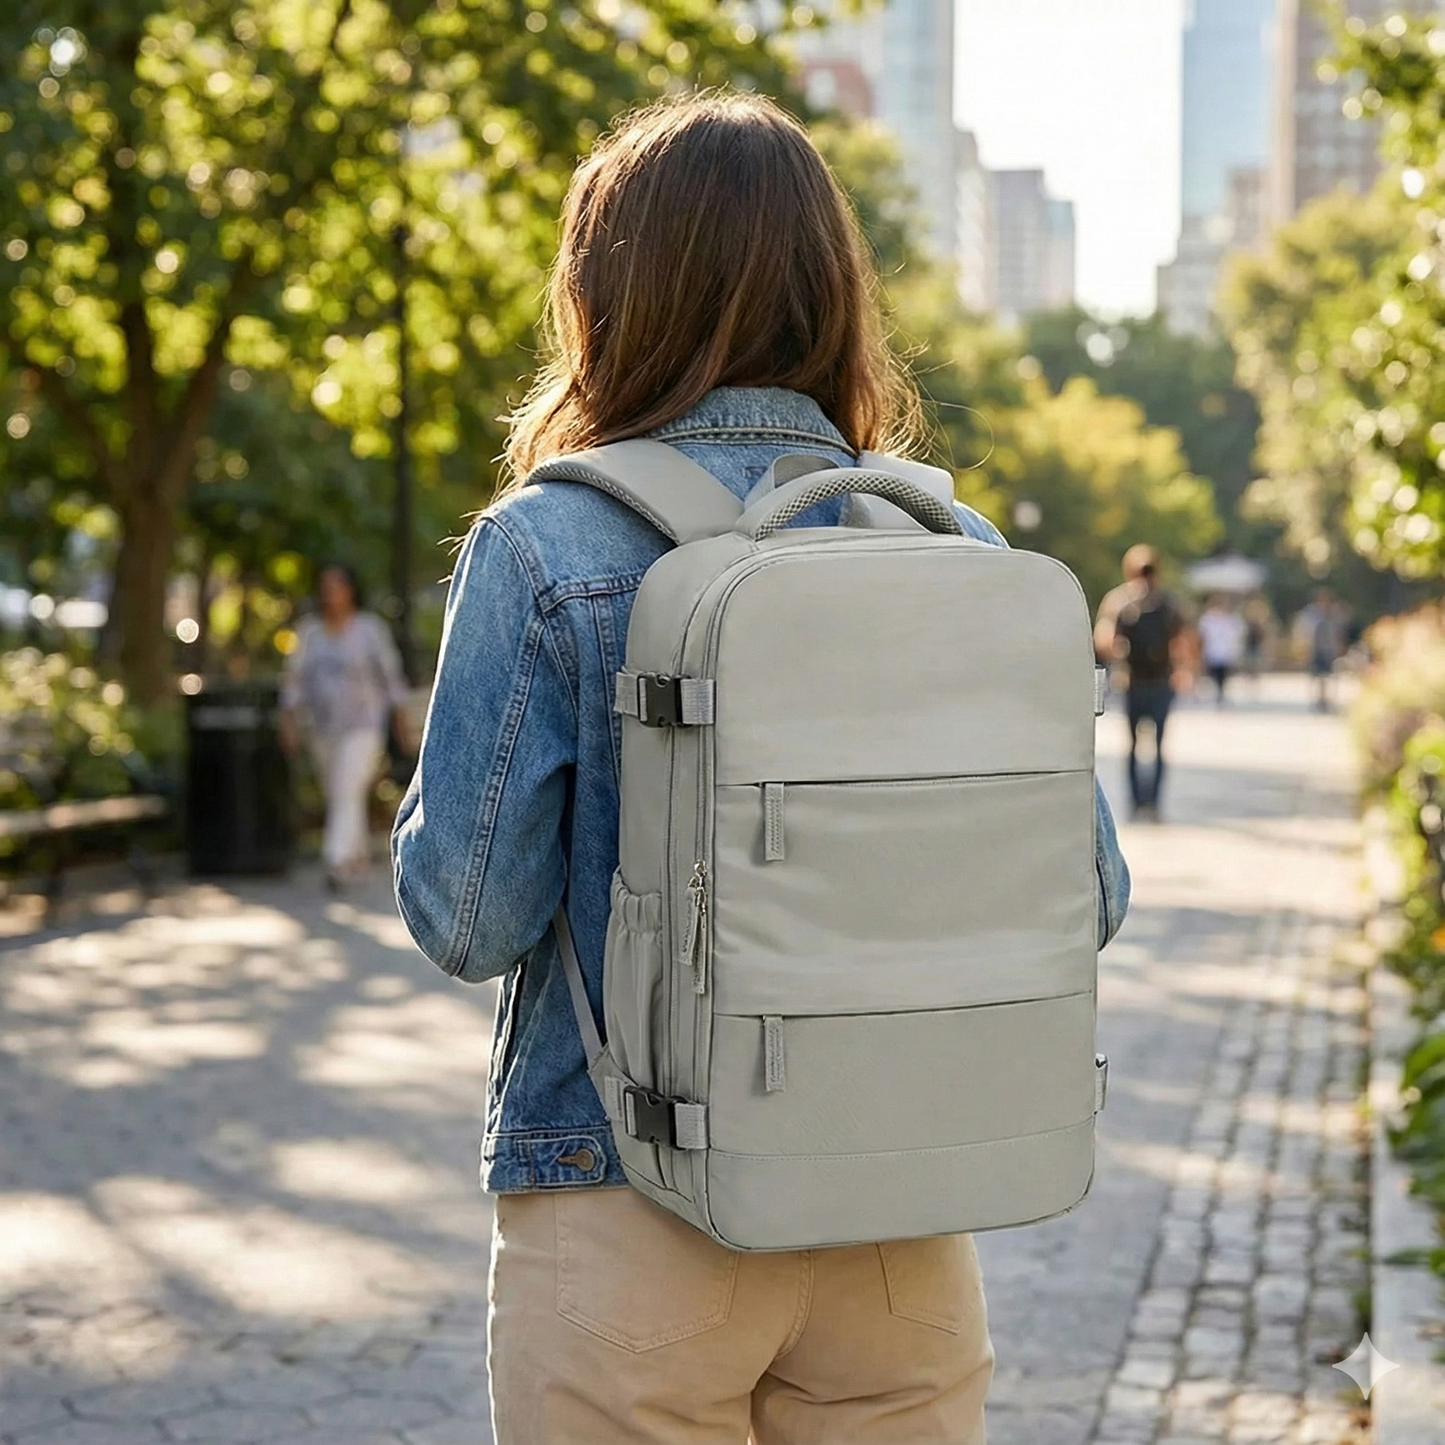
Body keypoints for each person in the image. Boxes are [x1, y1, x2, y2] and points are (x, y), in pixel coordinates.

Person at [392, 93, 1131, 1445]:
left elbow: (467, 915)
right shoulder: (948, 544)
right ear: (832, 288)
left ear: (604, 295)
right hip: (899, 1213)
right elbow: (1087, 897)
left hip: (625, 1202)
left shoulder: (547, 546)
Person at [279, 563, 411, 889]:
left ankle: (336, 859)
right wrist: (289, 722)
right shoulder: (309, 632)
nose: (330, 594)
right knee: (341, 793)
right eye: (325, 587)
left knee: (346, 787)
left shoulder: (369, 629)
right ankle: (356, 857)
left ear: (350, 590)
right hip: (322, 728)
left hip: (364, 725)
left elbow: (391, 678)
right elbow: (294, 683)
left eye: (336, 586)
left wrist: (401, 722)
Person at [1095, 545, 1185, 821]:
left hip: (1133, 681)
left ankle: (1136, 801)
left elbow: (1104, 641)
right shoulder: (1168, 602)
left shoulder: (1119, 601)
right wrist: (1184, 671)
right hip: (1160, 681)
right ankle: (1153, 802)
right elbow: (1182, 641)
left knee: (1133, 745)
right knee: (1157, 745)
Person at [1297, 588, 1347, 712]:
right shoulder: (1311, 615)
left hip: (1329, 649)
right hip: (1315, 649)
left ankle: (1326, 700)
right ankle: (1319, 700)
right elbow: (1305, 632)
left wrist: (1339, 647)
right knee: (1317, 676)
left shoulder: (1334, 615)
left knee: (1328, 677)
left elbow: (1338, 633)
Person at [1197, 594, 1247, 706]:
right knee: (1214, 675)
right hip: (1212, 652)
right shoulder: (1207, 619)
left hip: (1225, 653)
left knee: (1223, 675)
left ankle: (1221, 693)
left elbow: (1239, 632)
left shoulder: (1230, 619)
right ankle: (1218, 693)